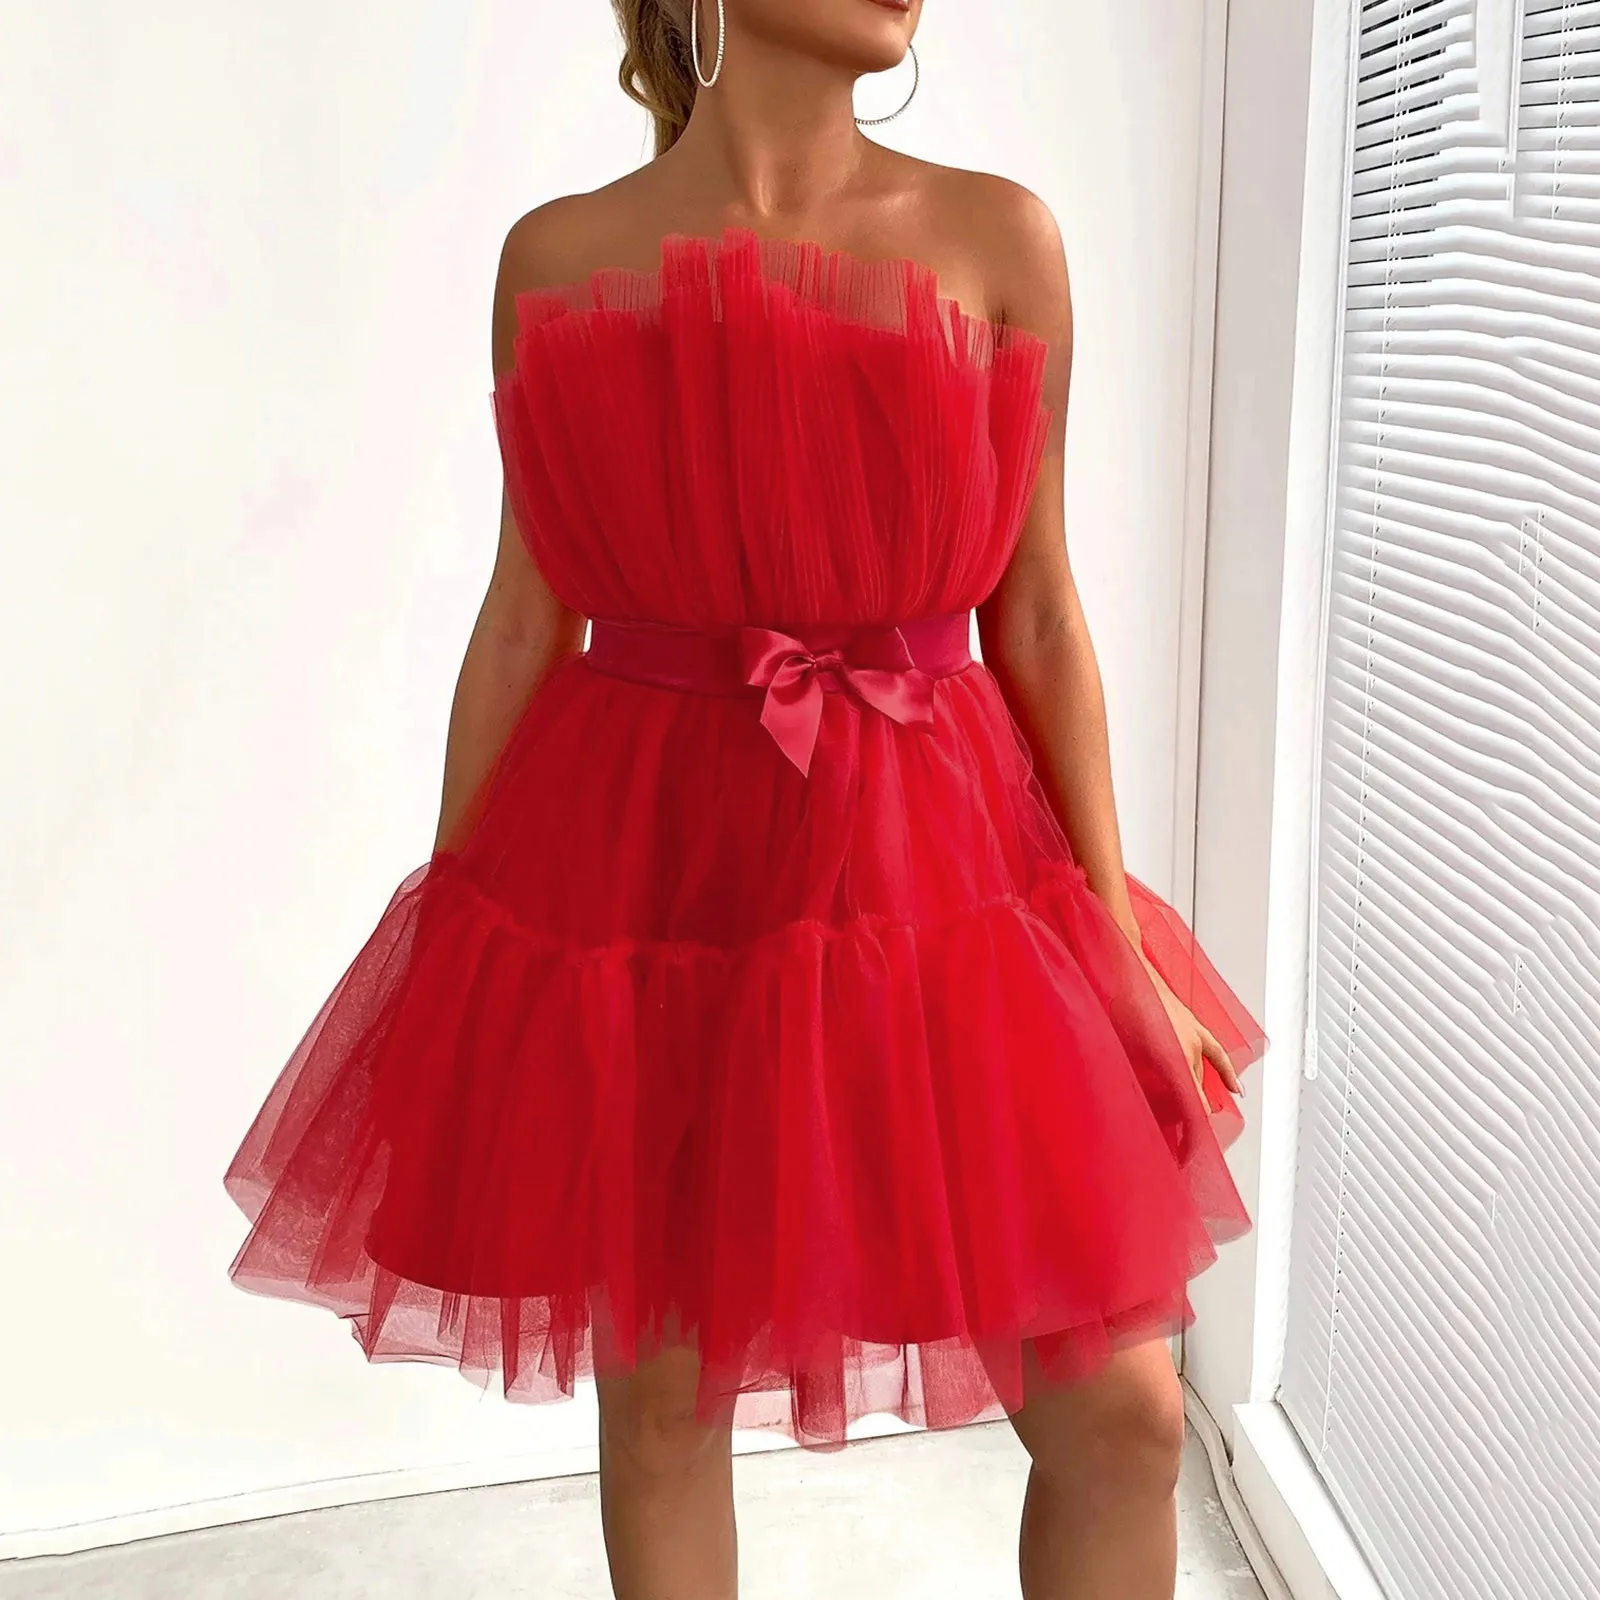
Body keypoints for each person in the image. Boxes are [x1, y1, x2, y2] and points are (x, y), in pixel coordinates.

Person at [224, 2, 1268, 1596]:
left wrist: (1116, 940)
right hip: (644, 864)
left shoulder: (1001, 238)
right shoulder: (558, 259)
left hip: (938, 870)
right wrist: (456, 960)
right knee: (661, 1403)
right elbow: (523, 619)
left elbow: (1041, 615)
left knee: (1124, 1415)